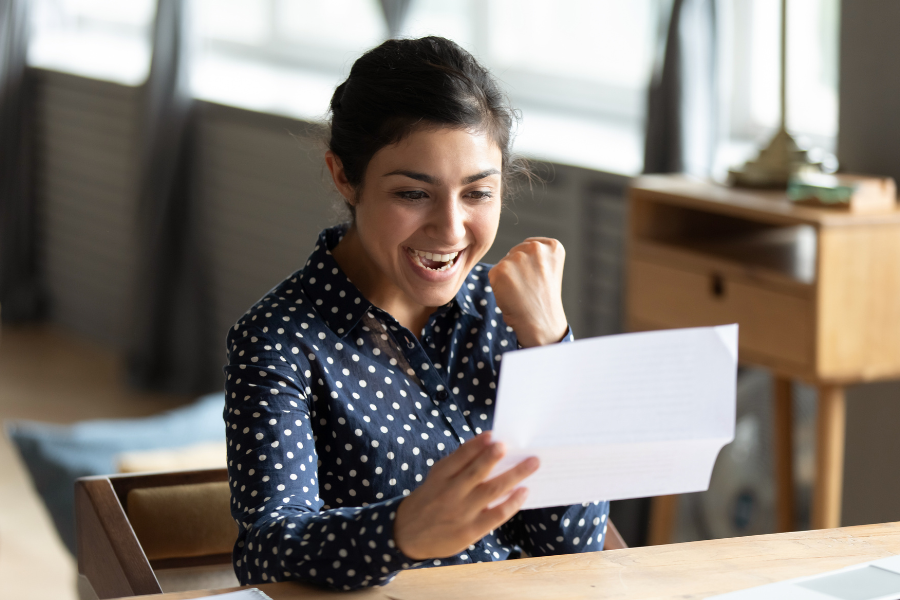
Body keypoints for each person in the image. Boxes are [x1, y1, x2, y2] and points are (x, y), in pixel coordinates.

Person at [224, 36, 610, 591]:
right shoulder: (278, 339)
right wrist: (402, 532)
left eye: (477, 194)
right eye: (413, 194)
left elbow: (574, 546)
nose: (450, 230)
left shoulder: (516, 314)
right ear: (344, 177)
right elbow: (268, 553)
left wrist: (552, 348)